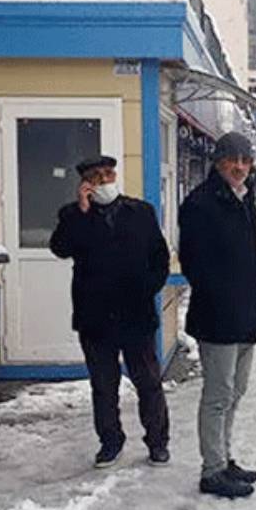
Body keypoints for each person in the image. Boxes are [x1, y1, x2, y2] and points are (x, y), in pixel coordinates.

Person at [50, 156, 171, 469]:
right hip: (96, 318)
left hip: (136, 314)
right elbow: (60, 248)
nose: (105, 181)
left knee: (149, 382)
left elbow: (159, 256)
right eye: (97, 177)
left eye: (108, 174)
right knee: (104, 386)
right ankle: (110, 442)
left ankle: (157, 442)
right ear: (86, 183)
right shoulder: (73, 215)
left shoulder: (141, 212)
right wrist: (82, 212)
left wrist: (148, 287)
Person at [179, 133, 256, 499]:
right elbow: (195, 265)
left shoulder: (243, 198)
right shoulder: (201, 204)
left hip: (247, 317)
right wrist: (226, 299)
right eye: (232, 160)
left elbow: (255, 254)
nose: (239, 166)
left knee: (236, 392)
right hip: (218, 319)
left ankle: (225, 457)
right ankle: (212, 470)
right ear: (218, 162)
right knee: (218, 395)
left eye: (245, 160)